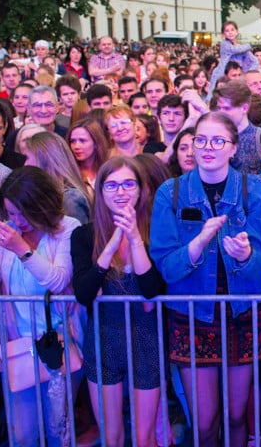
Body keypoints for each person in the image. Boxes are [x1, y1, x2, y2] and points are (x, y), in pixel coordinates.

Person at [149, 112, 261, 447]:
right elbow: (166, 267)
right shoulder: (170, 192)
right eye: (201, 140)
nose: (207, 147)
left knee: (236, 416)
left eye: (218, 141)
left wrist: (245, 255)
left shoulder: (253, 189)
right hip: (192, 314)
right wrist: (198, 243)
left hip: (240, 315)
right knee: (203, 422)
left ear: (233, 148)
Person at [0, 166, 84, 447]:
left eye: (22, 213)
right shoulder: (7, 231)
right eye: (11, 213)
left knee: (59, 426)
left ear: (42, 205)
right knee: (22, 432)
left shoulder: (68, 229)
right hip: (19, 344)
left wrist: (21, 249)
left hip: (61, 342)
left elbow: (59, 279)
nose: (17, 220)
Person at [71, 157, 165, 447]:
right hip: (104, 340)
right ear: (99, 191)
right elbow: (84, 293)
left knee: (144, 437)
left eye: (128, 184)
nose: (120, 191)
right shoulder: (84, 235)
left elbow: (152, 289)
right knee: (111, 437)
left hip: (146, 340)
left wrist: (135, 238)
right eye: (111, 185)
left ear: (141, 190)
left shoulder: (155, 231)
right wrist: (111, 244)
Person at [24, 131, 92, 226]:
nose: (25, 164)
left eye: (27, 158)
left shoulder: (70, 199)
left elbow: (75, 239)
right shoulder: (42, 194)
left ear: (44, 160)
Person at [209, 21, 259, 97]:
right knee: (216, 94)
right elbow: (235, 50)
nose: (230, 32)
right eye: (227, 30)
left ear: (237, 32)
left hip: (237, 76)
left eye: (232, 30)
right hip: (222, 74)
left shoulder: (242, 48)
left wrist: (248, 73)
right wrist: (248, 46)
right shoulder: (225, 44)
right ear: (223, 34)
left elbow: (255, 61)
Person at [67, 118, 110, 190]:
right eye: (73, 141)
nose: (76, 146)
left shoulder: (109, 169)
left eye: (82, 141)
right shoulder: (68, 172)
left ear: (96, 142)